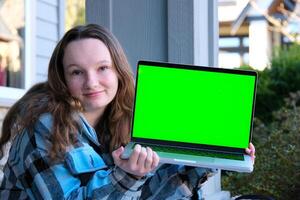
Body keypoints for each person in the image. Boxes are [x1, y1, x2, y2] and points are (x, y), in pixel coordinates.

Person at [0, 24, 255, 199]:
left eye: (102, 68)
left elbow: (144, 195)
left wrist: (199, 161)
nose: (92, 82)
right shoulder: (45, 128)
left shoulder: (123, 122)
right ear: (63, 79)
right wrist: (128, 174)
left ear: (119, 72)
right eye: (77, 72)